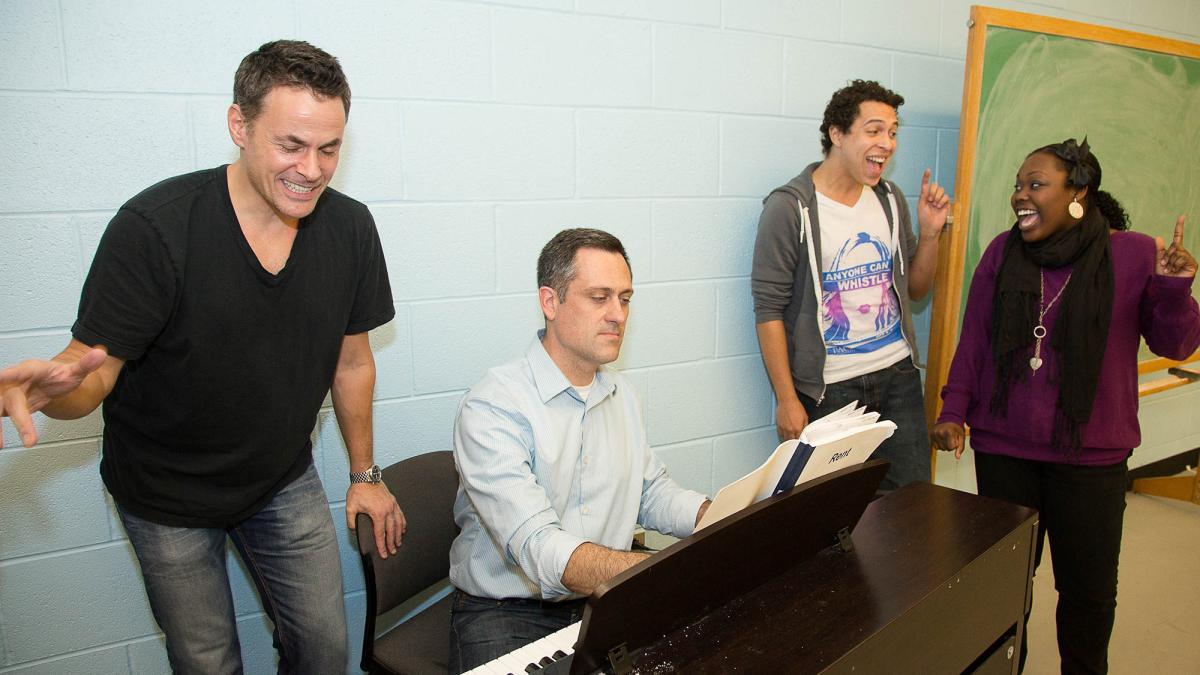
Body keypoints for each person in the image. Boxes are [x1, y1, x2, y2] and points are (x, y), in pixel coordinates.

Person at [0, 40, 406, 674]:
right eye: (291, 145)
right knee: (207, 662)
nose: (312, 169)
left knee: (325, 650)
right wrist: (56, 392)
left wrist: (365, 476)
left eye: (329, 149)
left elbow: (351, 363)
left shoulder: (349, 229)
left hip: (279, 477)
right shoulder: (155, 228)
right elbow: (90, 375)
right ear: (239, 126)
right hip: (166, 497)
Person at [931, 138, 1199, 674]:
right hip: (1004, 448)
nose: (1020, 195)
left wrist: (1174, 289)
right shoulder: (1002, 252)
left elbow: (1176, 345)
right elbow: (975, 339)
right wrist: (953, 411)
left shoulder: (1133, 253)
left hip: (1091, 456)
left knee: (1088, 594)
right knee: (1004, 586)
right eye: (1018, 185)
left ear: (1078, 193)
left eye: (1036, 184)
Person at [448, 228, 711, 673]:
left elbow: (649, 493)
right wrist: (656, 573)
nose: (618, 315)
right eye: (599, 298)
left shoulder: (622, 395)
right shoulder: (493, 405)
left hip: (602, 596)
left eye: (625, 299)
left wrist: (720, 516)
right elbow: (539, 547)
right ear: (550, 302)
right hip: (508, 611)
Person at [751, 79, 949, 490]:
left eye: (892, 132)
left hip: (898, 376)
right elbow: (769, 309)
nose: (887, 143)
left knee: (912, 503)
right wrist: (787, 399)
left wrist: (930, 235)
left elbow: (916, 290)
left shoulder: (889, 199)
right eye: (874, 130)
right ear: (837, 134)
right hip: (832, 390)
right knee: (839, 510)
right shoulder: (791, 207)